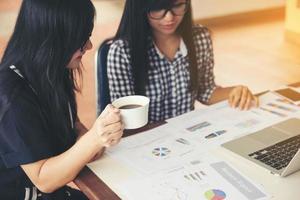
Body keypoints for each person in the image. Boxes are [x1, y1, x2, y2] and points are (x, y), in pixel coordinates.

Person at [0, 0, 124, 199]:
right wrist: (94, 139)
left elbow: (72, 124)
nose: (90, 46)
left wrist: (91, 140)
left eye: (88, 36)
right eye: (81, 40)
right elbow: (44, 179)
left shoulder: (52, 70)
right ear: (54, 40)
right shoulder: (11, 95)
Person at [107, 0, 259, 123]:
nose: (169, 18)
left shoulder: (199, 38)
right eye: (158, 8)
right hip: (145, 143)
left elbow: (206, 91)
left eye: (178, 5)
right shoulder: (122, 52)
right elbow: (125, 120)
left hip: (187, 139)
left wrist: (234, 92)